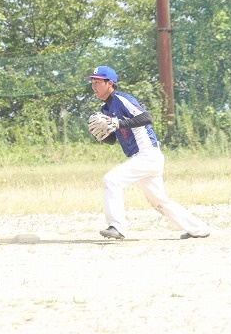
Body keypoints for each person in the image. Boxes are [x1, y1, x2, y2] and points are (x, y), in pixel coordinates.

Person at [86, 65, 211, 240]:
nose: (93, 85)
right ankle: (199, 229)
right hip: (142, 158)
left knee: (111, 180)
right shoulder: (104, 110)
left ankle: (116, 226)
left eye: (97, 81)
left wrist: (117, 123)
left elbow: (146, 118)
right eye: (92, 81)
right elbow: (113, 139)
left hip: (147, 154)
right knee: (159, 202)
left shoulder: (121, 99)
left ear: (110, 83)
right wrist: (100, 134)